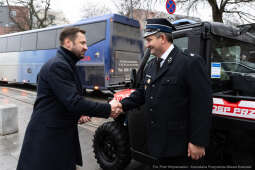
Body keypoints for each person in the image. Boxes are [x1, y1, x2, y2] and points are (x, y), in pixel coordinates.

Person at [16, 27, 122, 170]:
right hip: (47, 141)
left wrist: (77, 114)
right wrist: (108, 108)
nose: (86, 47)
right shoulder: (58, 65)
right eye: (82, 43)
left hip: (56, 138)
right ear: (68, 43)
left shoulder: (65, 64)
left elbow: (61, 100)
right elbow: (74, 102)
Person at [116, 18, 213, 168]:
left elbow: (202, 105)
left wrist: (198, 142)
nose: (147, 45)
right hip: (158, 143)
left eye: (149, 40)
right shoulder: (152, 66)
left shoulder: (189, 63)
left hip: (180, 148)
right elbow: (142, 93)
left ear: (162, 38)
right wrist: (121, 106)